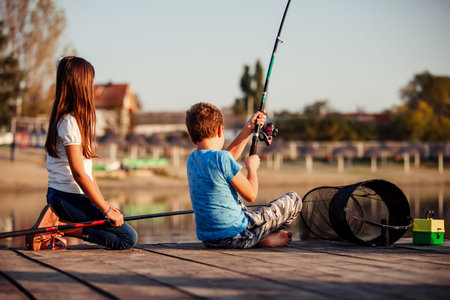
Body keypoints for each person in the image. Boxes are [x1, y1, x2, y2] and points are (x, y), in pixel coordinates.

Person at [25, 56, 137, 251]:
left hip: (69, 197)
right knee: (127, 238)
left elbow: (88, 172)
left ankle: (55, 228)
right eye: (90, 83)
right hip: (66, 197)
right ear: (80, 86)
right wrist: (106, 209)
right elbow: (79, 174)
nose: (93, 89)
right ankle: (56, 228)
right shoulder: (69, 122)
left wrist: (105, 204)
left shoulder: (73, 120)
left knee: (118, 229)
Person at [185, 102, 302, 249]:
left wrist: (248, 128)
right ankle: (262, 237)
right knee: (294, 200)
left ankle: (259, 236)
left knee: (241, 207)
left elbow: (225, 160)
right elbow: (251, 195)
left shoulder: (192, 160)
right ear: (221, 131)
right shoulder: (222, 159)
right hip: (237, 237)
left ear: (191, 138)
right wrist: (251, 168)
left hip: (209, 240)